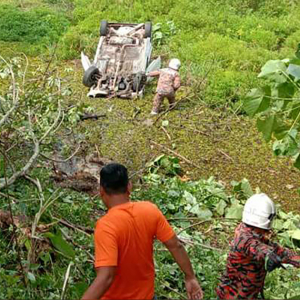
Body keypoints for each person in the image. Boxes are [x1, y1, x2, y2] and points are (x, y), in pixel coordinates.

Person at [81, 163, 203, 300]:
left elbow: (107, 276)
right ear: (129, 186)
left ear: (101, 190)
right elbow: (176, 245)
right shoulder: (150, 210)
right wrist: (190, 277)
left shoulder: (106, 226)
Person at [216, 193, 300, 299]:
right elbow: (257, 248)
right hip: (233, 296)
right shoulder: (243, 237)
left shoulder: (257, 234)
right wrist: (269, 256)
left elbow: (281, 252)